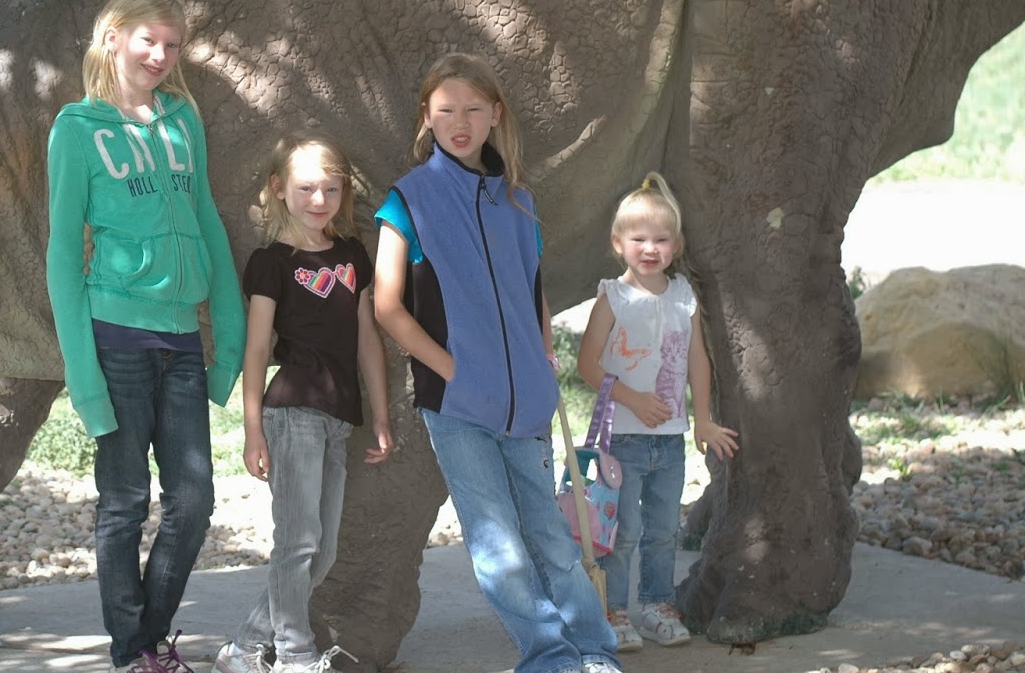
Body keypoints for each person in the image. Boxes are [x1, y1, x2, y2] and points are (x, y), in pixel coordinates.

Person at [370, 51, 622, 673]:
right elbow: (386, 306)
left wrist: (541, 363)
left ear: (495, 115)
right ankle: (549, 656)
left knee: (551, 538)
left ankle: (593, 652)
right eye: (447, 109)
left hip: (526, 403)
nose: (461, 121)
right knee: (498, 545)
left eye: (474, 109)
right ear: (426, 117)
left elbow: (531, 292)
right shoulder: (408, 199)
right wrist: (455, 371)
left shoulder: (519, 201)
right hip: (456, 406)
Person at [45, 0, 247, 673]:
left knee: (193, 501)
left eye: (172, 44)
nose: (160, 55)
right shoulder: (77, 129)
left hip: (183, 340)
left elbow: (207, 222)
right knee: (124, 502)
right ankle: (137, 653)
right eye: (148, 40)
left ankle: (147, 639)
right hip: (116, 339)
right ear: (112, 38)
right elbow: (63, 255)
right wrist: (83, 378)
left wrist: (230, 341)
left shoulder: (182, 119)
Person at [214, 134, 394, 673]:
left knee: (322, 551)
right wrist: (252, 430)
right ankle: (294, 656)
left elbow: (367, 336)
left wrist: (381, 413)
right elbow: (256, 348)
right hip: (291, 414)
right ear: (278, 189)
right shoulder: (272, 262)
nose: (320, 200)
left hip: (338, 419)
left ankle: (244, 649)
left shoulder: (352, 255)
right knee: (298, 542)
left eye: (331, 189)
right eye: (306, 188)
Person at [575, 173, 739, 652]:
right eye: (639, 239)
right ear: (617, 243)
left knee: (665, 528)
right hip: (621, 436)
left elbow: (697, 360)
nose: (650, 248)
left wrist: (703, 418)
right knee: (623, 531)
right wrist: (633, 398)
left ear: (678, 244)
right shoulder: (614, 296)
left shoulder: (683, 295)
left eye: (661, 239)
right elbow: (587, 364)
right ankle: (614, 610)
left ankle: (655, 605)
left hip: (669, 438)